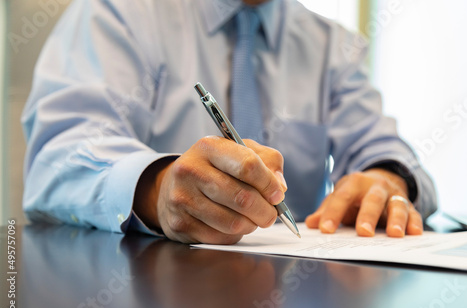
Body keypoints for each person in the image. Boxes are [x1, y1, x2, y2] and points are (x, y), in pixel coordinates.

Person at [22, 0, 437, 244]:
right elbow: (59, 158)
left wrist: (388, 179)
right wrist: (158, 187)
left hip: (294, 291)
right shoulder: (117, 13)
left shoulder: (333, 46)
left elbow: (384, 149)